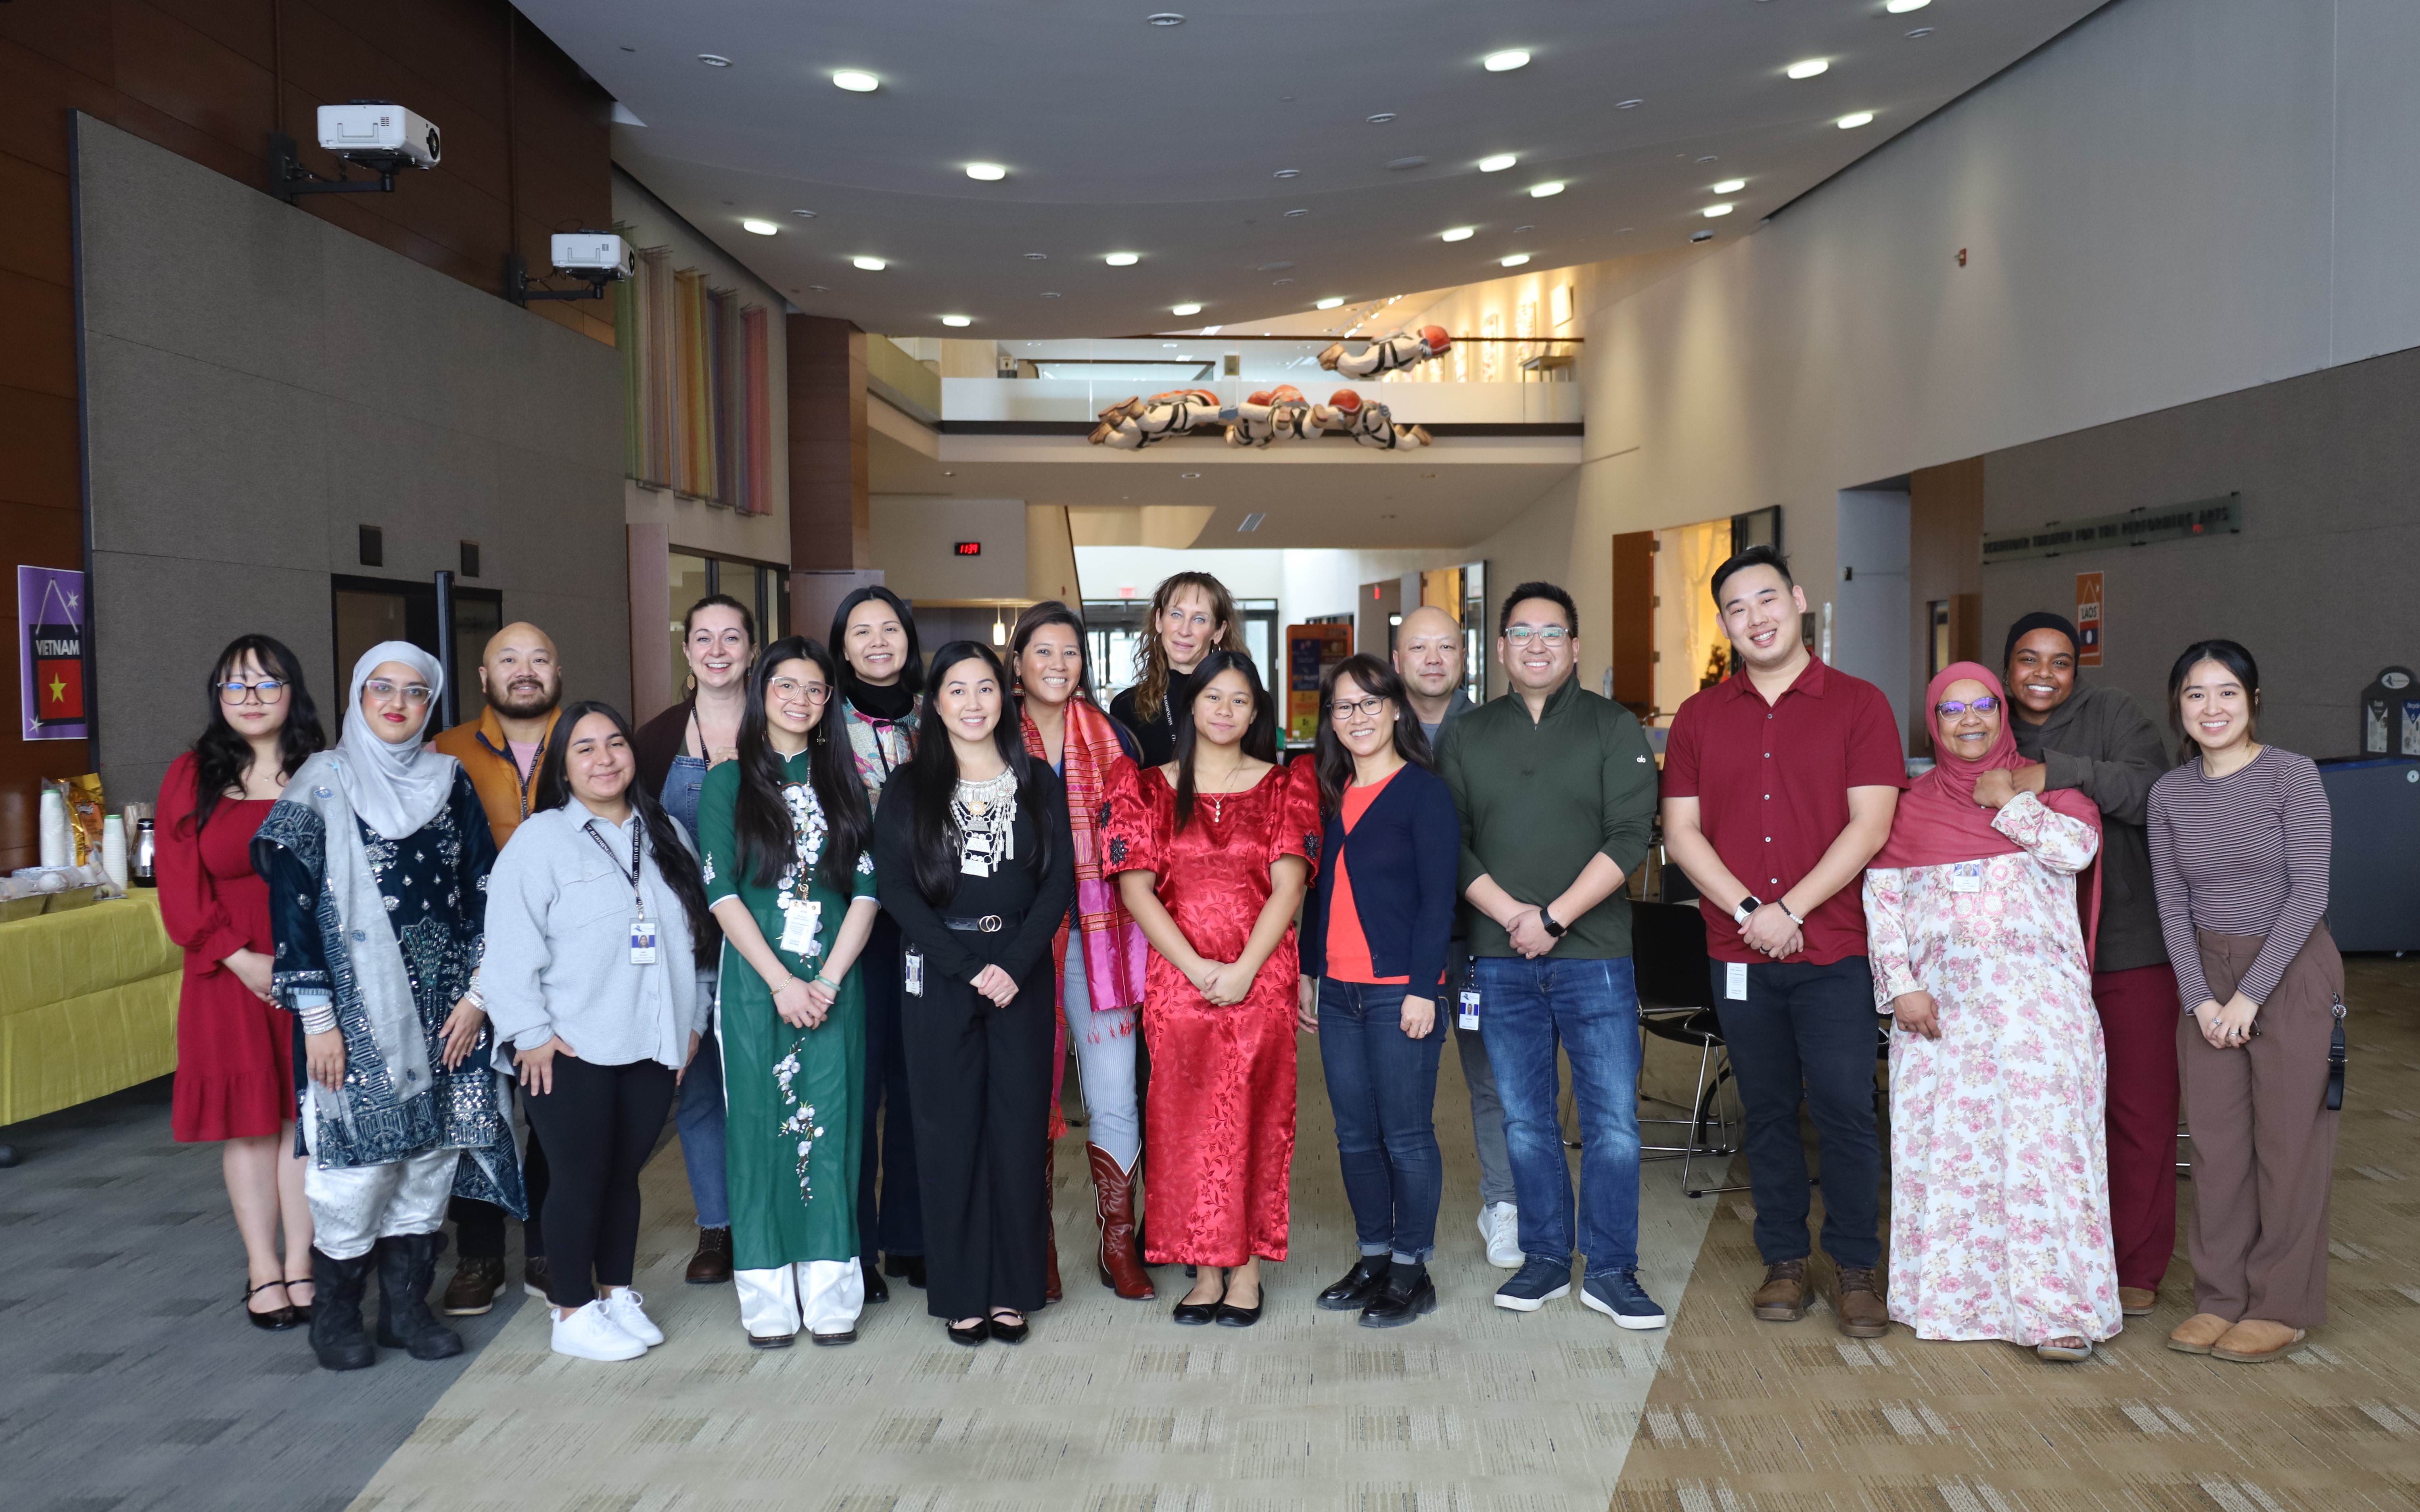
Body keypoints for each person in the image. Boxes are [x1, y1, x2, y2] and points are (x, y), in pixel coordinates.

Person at [253, 642, 523, 1372]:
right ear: (357, 695)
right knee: (357, 1170)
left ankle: (407, 1307)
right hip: (352, 1017)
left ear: (431, 704)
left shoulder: (449, 780)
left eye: (414, 692)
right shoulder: (321, 784)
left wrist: (476, 995)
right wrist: (317, 1021)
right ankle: (337, 1311)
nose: (397, 703)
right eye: (382, 689)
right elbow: (293, 908)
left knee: (430, 1158)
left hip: (449, 1011)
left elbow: (483, 889)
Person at [1658, 545, 1904, 1337]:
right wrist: (1746, 908)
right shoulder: (1699, 716)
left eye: (1767, 598)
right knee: (1763, 1111)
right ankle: (1784, 1260)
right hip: (1737, 953)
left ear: (1798, 600)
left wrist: (1788, 908)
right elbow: (1680, 831)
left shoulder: (1859, 704)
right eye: (1736, 607)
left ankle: (1857, 1268)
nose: (1755, 617)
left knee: (1842, 1108)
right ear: (1724, 623)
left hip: (1832, 947)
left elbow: (1870, 824)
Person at [1864, 664, 2119, 1360]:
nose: (1968, 720)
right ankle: (1952, 1302)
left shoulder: (2048, 789)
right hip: (1940, 1017)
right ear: (1932, 720)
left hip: (2040, 1017)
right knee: (1952, 1157)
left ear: (2002, 713)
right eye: (1951, 709)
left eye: (1982, 706)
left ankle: (2057, 1312)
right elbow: (1881, 901)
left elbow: (2077, 852)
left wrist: (2008, 800)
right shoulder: (1908, 806)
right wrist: (1899, 984)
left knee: (2046, 1162)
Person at [1437, 582, 1662, 1328]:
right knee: (1523, 1118)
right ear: (1498, 649)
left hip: (1593, 955)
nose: (1536, 645)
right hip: (1497, 958)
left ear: (1573, 646)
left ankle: (1610, 1269)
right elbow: (1452, 841)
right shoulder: (1468, 735)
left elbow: (1630, 833)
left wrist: (1555, 918)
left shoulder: (1611, 725)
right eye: (1521, 632)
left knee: (1611, 1121)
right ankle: (1542, 1256)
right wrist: (1510, 916)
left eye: (1552, 632)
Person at [483, 702, 716, 1361]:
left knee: (622, 1175)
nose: (604, 757)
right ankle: (570, 1310)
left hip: (653, 1040)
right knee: (579, 1176)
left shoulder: (666, 830)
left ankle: (614, 1293)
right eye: (584, 748)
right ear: (563, 764)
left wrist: (693, 1021)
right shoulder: (541, 840)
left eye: (615, 742)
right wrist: (528, 1032)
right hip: (570, 1045)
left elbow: (699, 940)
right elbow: (506, 948)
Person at [1105, 651, 1319, 1328]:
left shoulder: (1286, 784)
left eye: (1240, 701)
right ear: (1190, 705)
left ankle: (1247, 1268)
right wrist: (1199, 970)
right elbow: (1134, 889)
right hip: (1178, 979)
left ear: (1256, 714)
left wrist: (1244, 969)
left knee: (1256, 1119)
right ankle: (1202, 1268)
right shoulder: (1142, 787)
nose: (1225, 711)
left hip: (1261, 979)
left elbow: (1289, 885)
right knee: (1183, 1121)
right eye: (1213, 697)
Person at [875, 643, 1074, 1346]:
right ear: (935, 703)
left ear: (1004, 696)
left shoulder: (1038, 781)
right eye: (955, 690)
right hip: (940, 967)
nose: (971, 702)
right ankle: (961, 1291)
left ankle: (1012, 1289)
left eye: (984, 688)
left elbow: (1058, 883)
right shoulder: (909, 787)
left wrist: (1014, 964)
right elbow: (896, 886)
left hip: (1019, 965)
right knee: (946, 1130)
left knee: (1016, 1131)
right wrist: (965, 964)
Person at [2149, 640, 2339, 1364]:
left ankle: (2281, 1305)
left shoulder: (2292, 775)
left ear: (2252, 700)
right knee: (2219, 1148)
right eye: (2194, 693)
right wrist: (2201, 999)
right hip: (2204, 970)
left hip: (2288, 965)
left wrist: (2249, 994)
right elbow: (2171, 905)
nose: (2211, 707)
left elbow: (2309, 892)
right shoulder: (2168, 793)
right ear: (2178, 706)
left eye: (2226, 692)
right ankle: (2220, 1297)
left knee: (2288, 1146)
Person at [701, 638, 883, 1347]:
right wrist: (781, 981)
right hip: (754, 988)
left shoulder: (848, 782)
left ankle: (832, 1289)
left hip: (837, 985)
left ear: (828, 700)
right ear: (761, 691)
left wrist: (828, 980)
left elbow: (866, 893)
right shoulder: (727, 782)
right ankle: (768, 1292)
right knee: (756, 1129)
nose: (800, 699)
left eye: (815, 688)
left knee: (834, 1128)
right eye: (786, 685)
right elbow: (720, 890)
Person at [2002, 611, 2180, 1316]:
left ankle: (2136, 1262)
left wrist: (2051, 774)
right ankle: (2051, 1253)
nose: (2041, 674)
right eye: (2027, 659)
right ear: (2006, 666)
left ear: (2076, 670)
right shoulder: (1983, 716)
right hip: (2025, 959)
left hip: (2125, 946)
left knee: (2137, 1109)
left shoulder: (2112, 712)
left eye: (2058, 661)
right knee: (2040, 1117)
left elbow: (2151, 793)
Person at [157, 635, 329, 1330]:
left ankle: (304, 1264)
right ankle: (263, 1269)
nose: (252, 698)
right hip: (227, 975)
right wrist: (240, 956)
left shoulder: (325, 770)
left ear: (293, 692)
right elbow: (178, 887)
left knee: (305, 1123)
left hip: (314, 971)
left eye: (267, 683)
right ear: (217, 697)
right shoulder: (191, 774)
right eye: (236, 685)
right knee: (250, 1125)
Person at [1298, 655, 1459, 1328]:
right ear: (1329, 721)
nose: (1357, 717)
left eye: (1369, 703)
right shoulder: (1329, 791)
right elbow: (1315, 889)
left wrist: (1424, 987)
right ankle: (1372, 1256)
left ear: (1396, 708)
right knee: (1354, 1135)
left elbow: (1437, 900)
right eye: (1343, 707)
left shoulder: (1423, 792)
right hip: (1337, 990)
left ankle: (1408, 1269)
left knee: (1405, 1135)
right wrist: (1309, 971)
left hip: (1400, 991)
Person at [1011, 602, 1155, 1303]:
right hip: (1016, 944)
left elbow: (1135, 841)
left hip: (1101, 939)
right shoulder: (985, 729)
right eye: (1043, 651)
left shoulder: (1112, 737)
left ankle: (1117, 1243)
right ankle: (1034, 1243)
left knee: (1113, 1089)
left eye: (1070, 653)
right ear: (1017, 661)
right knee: (1025, 1089)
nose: (1058, 665)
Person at [431, 620, 562, 1315]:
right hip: (470, 965)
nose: (524, 670)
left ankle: (545, 1242)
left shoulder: (588, 742)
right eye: (508, 659)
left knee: (552, 1107)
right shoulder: (444, 752)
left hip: (565, 961)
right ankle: (479, 1252)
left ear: (557, 671)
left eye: (539, 658)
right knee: (474, 1107)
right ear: (483, 677)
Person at [634, 593, 757, 1287]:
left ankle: (773, 1214)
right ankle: (718, 1224)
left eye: (730, 637)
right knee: (703, 1089)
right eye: (703, 638)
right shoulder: (652, 742)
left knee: (769, 1086)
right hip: (688, 944)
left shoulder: (779, 726)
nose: (716, 650)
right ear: (687, 653)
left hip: (770, 940)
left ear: (749, 647)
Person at [1394, 604, 1516, 1268]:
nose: (1434, 658)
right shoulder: (1372, 727)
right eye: (1420, 646)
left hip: (1481, 940)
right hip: (1396, 941)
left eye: (1446, 646)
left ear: (1465, 656)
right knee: (1398, 1086)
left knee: (1492, 1076)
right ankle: (1397, 1220)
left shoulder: (1498, 728)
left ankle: (1504, 1204)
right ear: (1397, 659)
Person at [831, 584, 925, 1303]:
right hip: (853, 923)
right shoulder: (823, 721)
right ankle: (857, 1244)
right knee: (858, 1088)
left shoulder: (938, 713)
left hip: (927, 924)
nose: (875, 641)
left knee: (918, 1080)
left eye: (888, 627)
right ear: (842, 645)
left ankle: (912, 1235)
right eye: (860, 630)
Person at [1108, 572, 1250, 767]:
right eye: (1176, 615)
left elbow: (1267, 787)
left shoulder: (1243, 704)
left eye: (1199, 619)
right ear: (1159, 620)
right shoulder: (1127, 706)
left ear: (1219, 631)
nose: (1184, 630)